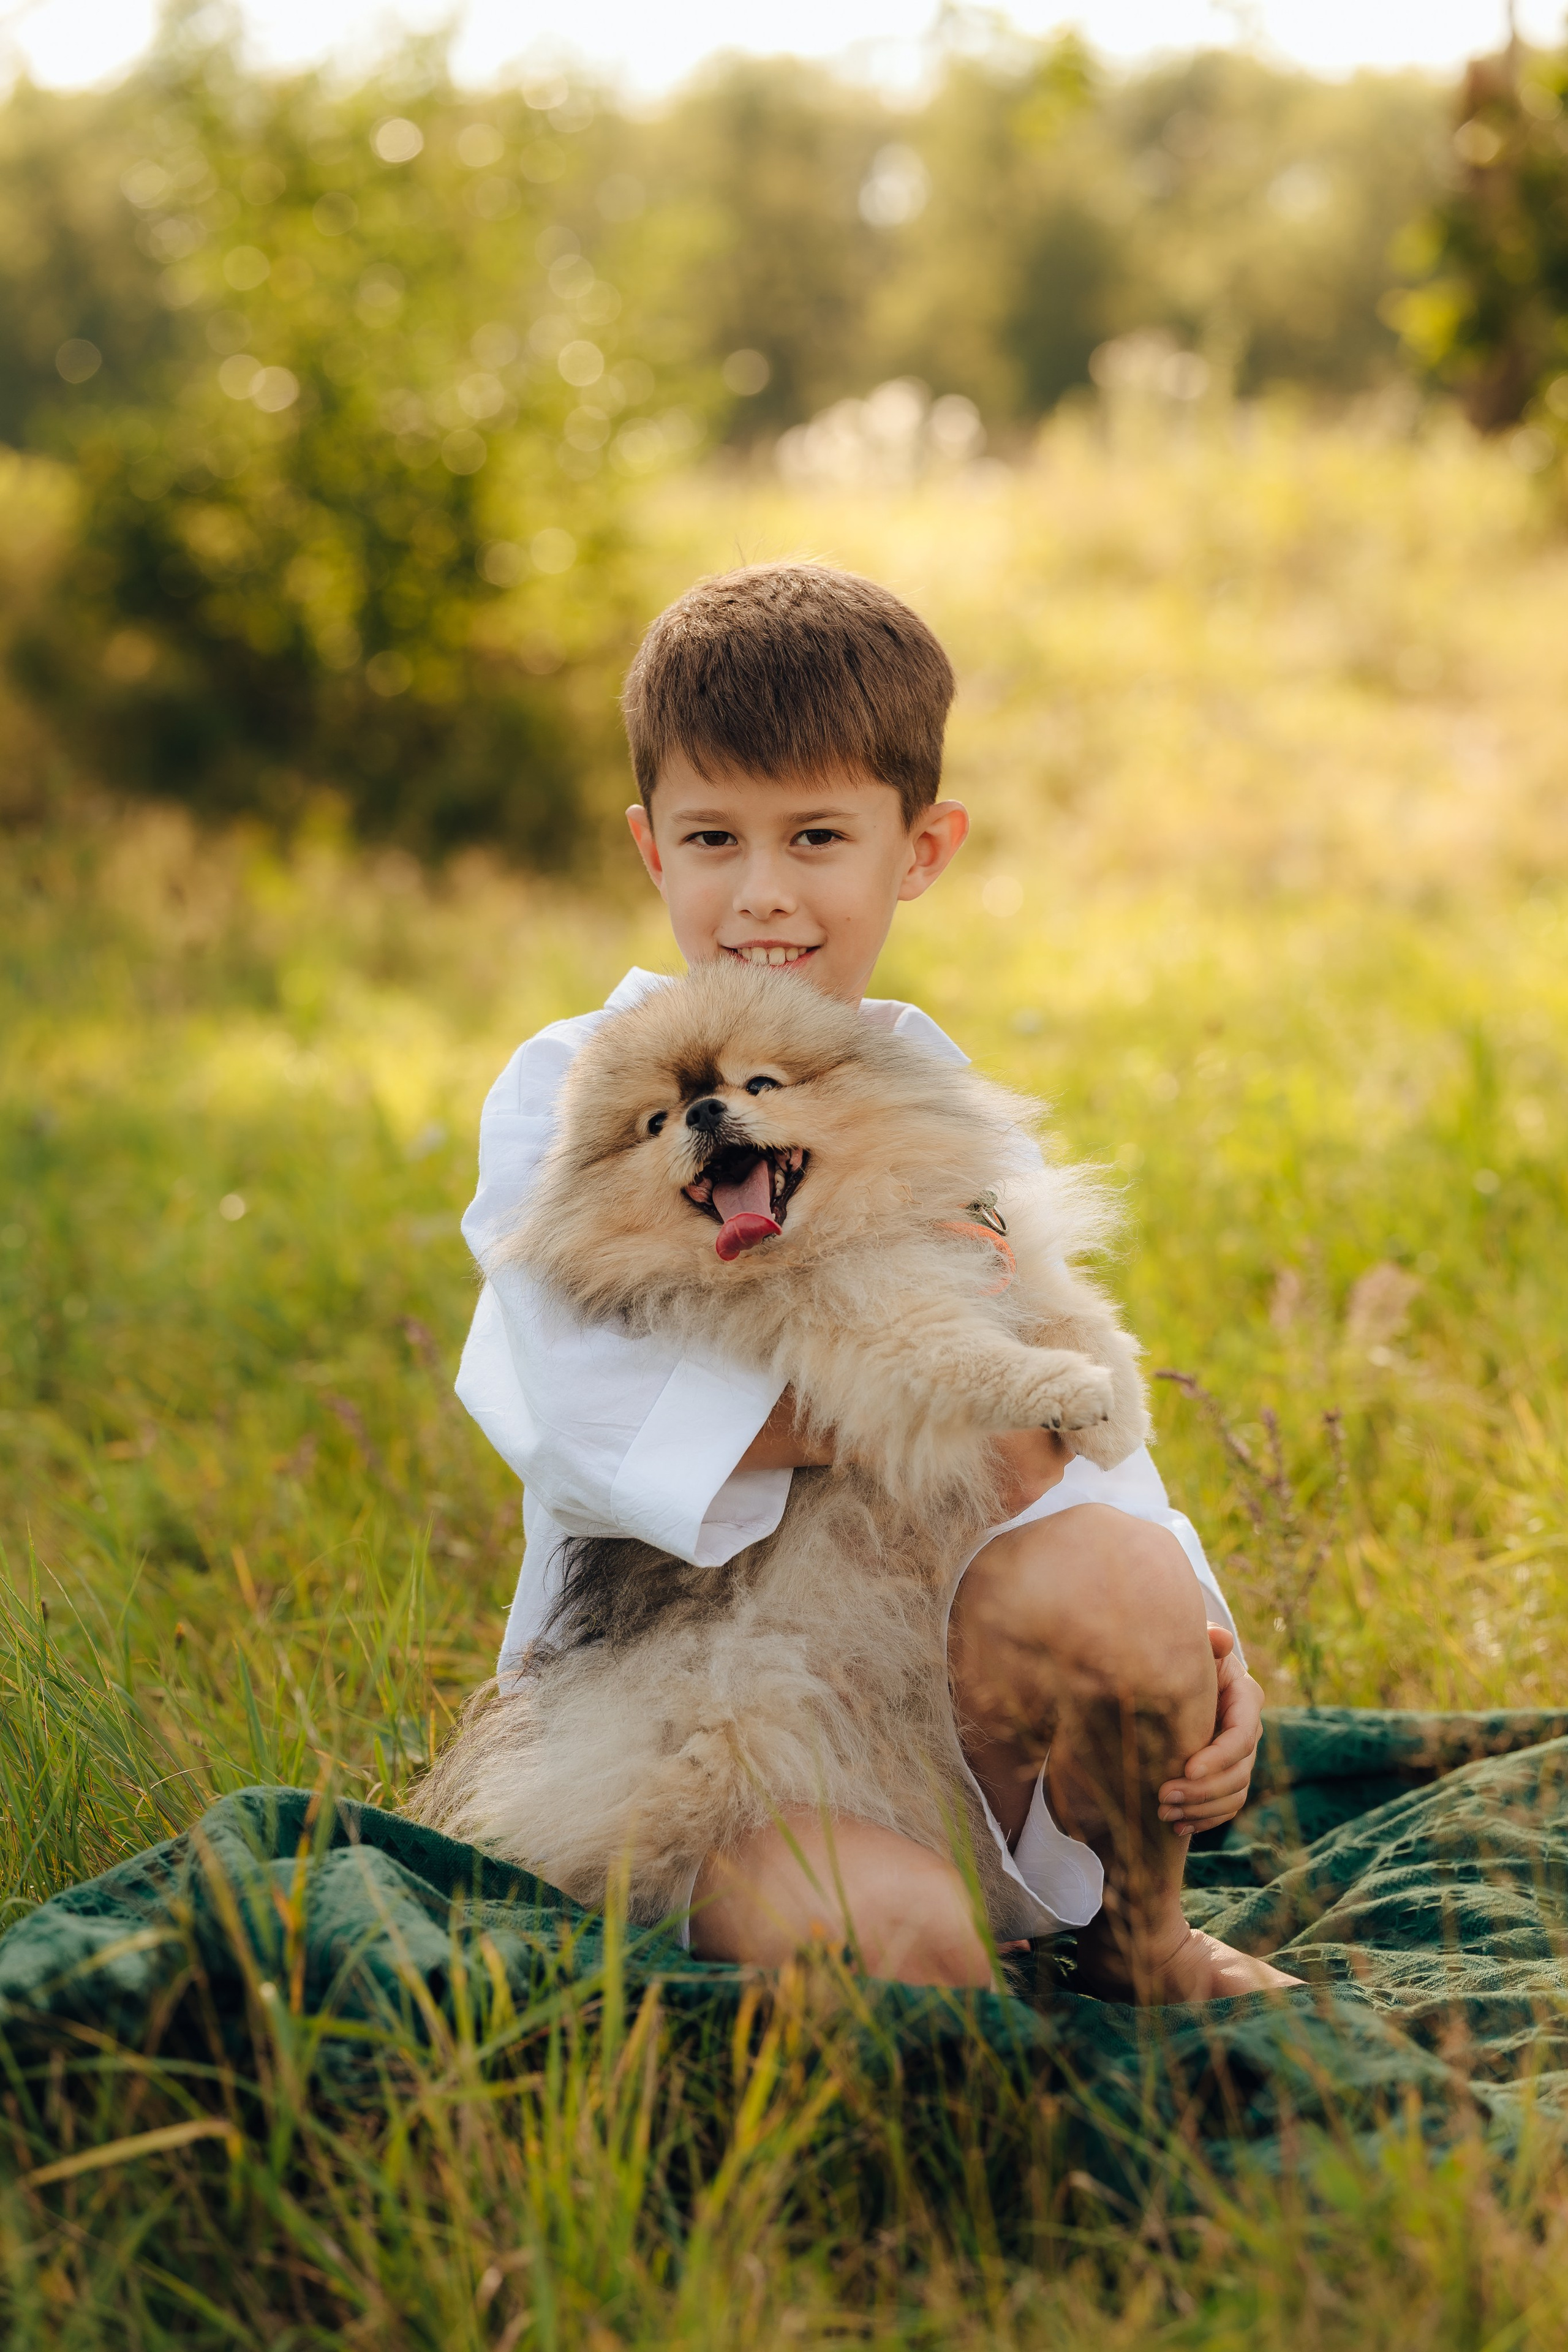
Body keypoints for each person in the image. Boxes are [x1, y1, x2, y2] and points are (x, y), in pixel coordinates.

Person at [458, 560, 1299, 2004]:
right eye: (714, 836)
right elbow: (585, 1407)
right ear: (649, 847)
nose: (763, 892)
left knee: (1110, 1565)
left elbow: (1091, 1432)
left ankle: (1139, 1939)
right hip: (715, 1722)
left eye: (818, 837)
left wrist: (1200, 1646)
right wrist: (949, 1397)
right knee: (902, 1952)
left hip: (946, 1687)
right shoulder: (581, 1087)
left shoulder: (928, 1088)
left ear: (918, 849)